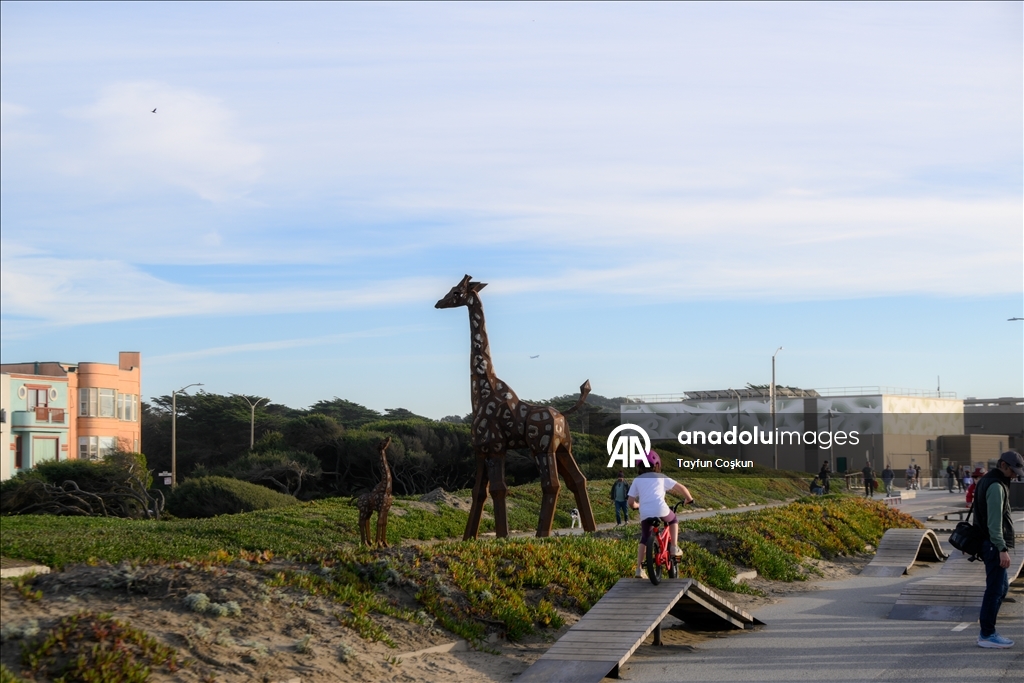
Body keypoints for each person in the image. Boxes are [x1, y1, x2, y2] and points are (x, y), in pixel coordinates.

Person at [973, 451, 1024, 648]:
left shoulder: (990, 480)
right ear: (1003, 465)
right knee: (995, 590)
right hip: (994, 545)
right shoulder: (996, 486)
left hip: (991, 544)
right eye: (1013, 470)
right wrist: (1002, 548)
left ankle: (987, 631)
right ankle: (987, 634)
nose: (1015, 475)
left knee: (1001, 588)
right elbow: (995, 523)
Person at [627, 451, 693, 579]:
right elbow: (681, 488)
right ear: (656, 464)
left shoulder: (637, 480)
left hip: (645, 513)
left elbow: (630, 502)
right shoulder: (661, 477)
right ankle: (673, 547)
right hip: (661, 509)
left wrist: (636, 506)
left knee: (645, 538)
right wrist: (688, 499)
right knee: (673, 520)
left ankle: (639, 569)